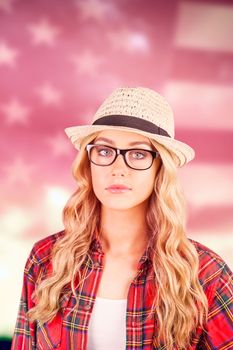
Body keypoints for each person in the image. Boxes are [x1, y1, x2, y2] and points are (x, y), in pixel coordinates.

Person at [11, 87, 233, 350]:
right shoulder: (47, 260)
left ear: (161, 169)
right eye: (104, 151)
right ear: (88, 163)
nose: (118, 169)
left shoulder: (205, 274)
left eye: (138, 154)